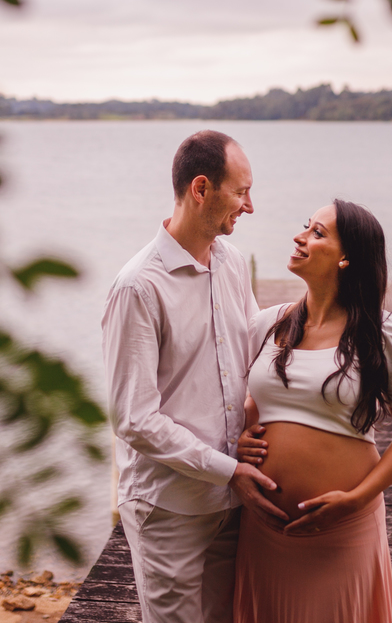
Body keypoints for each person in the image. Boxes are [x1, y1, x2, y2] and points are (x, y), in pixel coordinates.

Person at [102, 130, 288, 623]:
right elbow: (134, 419)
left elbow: (247, 339)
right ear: (200, 189)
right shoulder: (138, 288)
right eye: (242, 191)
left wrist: (319, 303)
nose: (250, 206)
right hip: (170, 507)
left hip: (229, 498)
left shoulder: (228, 261)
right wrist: (229, 468)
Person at [233, 199, 392, 623]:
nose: (301, 237)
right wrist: (238, 445)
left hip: (344, 527)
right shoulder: (267, 323)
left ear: (346, 258)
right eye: (306, 227)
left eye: (318, 233)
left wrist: (356, 499)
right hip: (266, 527)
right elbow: (245, 399)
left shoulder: (385, 331)